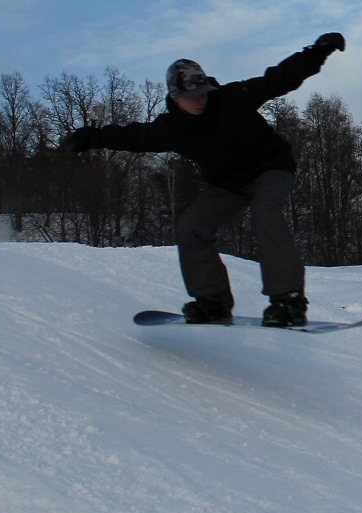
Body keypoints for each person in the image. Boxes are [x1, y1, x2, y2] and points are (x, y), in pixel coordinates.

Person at [66, 32, 346, 327]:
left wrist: (317, 52)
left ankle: (288, 300)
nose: (200, 101)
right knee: (192, 226)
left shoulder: (232, 98)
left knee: (265, 213)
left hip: (271, 168)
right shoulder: (172, 129)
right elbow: (132, 137)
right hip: (228, 183)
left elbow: (277, 79)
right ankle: (213, 301)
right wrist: (90, 138)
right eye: (191, 97)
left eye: (203, 93)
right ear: (176, 98)